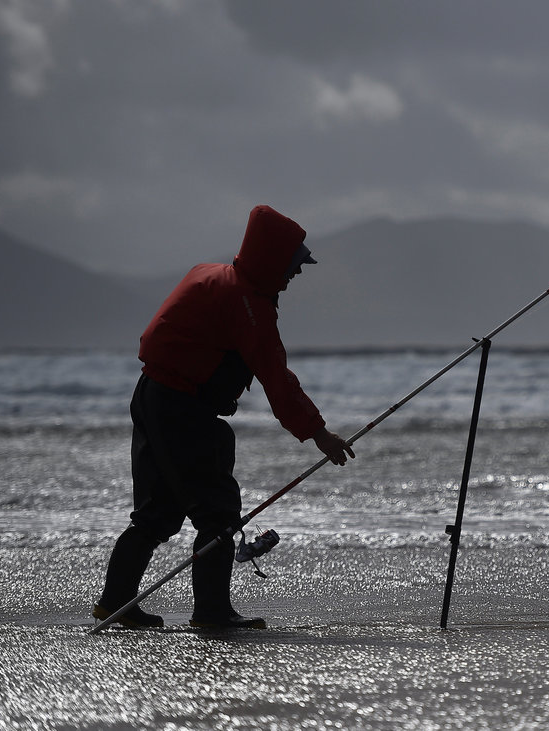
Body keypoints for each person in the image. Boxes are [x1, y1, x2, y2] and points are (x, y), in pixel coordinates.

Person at [94, 204, 355, 630]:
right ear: (272, 260)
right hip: (181, 409)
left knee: (158, 511)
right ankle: (212, 613)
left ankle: (115, 602)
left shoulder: (209, 274)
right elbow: (276, 378)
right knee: (217, 514)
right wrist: (319, 433)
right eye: (293, 263)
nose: (297, 272)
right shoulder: (247, 303)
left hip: (152, 397)